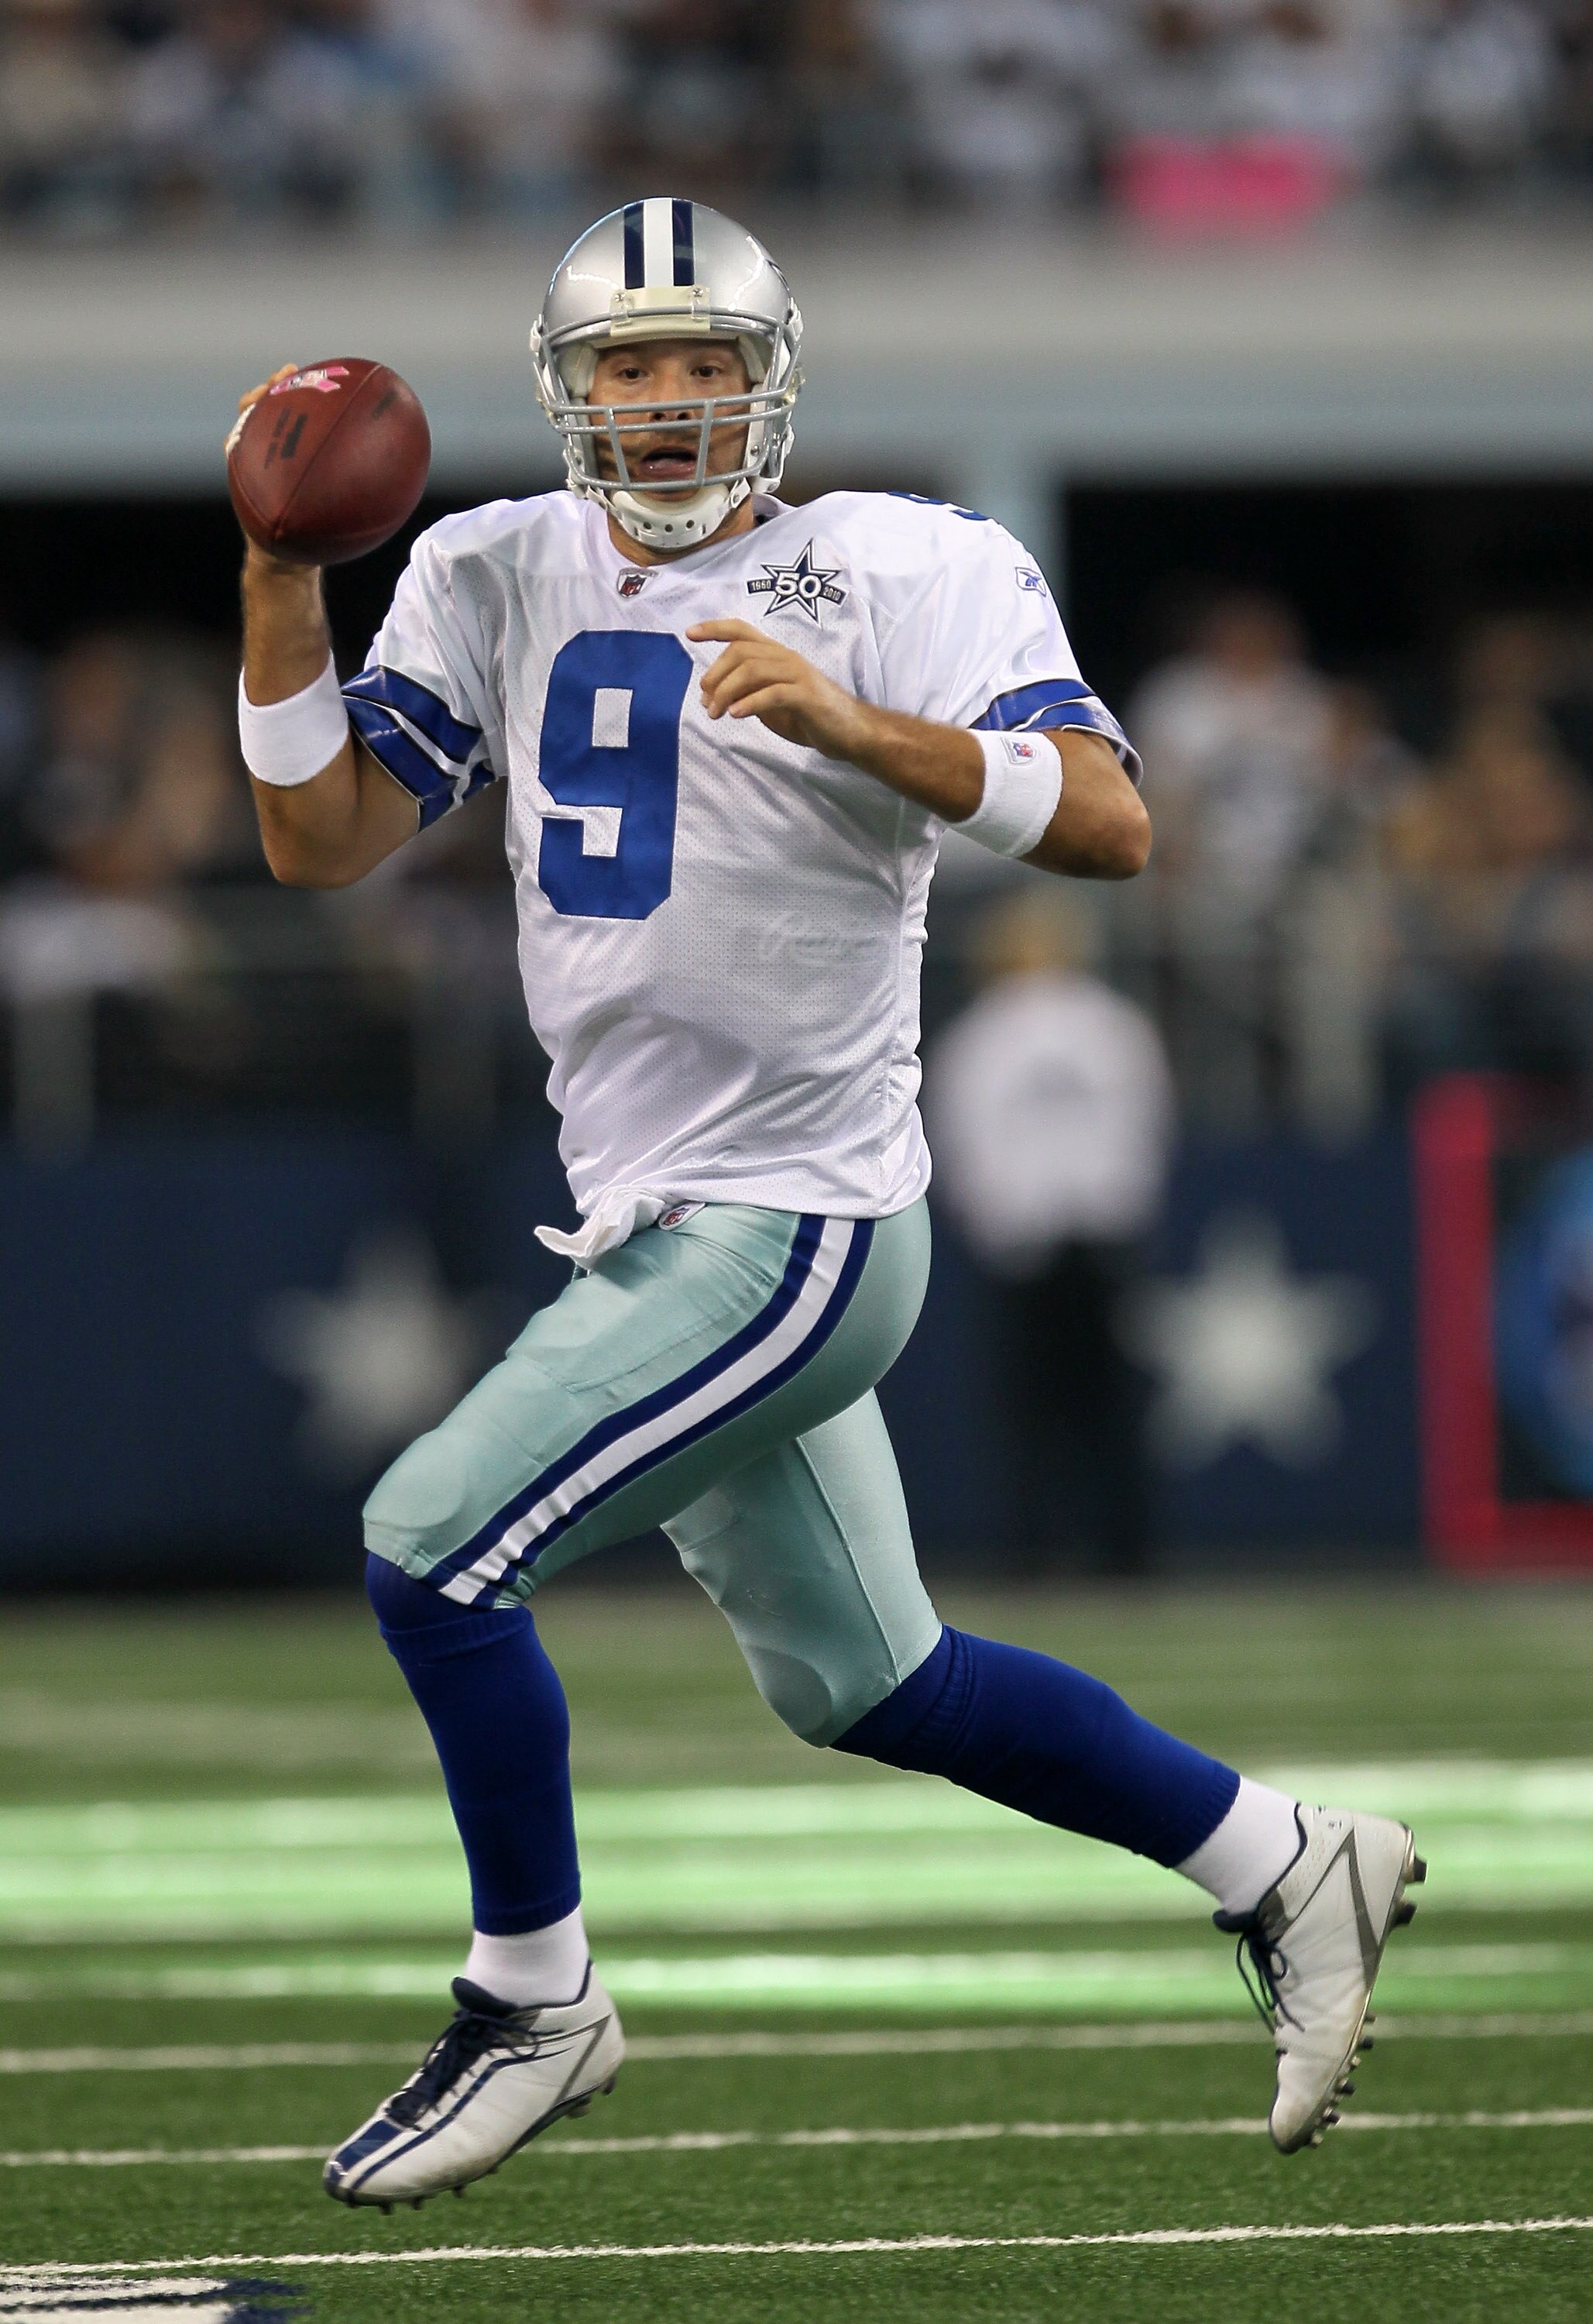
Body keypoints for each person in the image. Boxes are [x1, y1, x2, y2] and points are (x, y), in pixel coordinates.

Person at [232, 200, 1423, 2209]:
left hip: (797, 1219)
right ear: (570, 385)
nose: (667, 397)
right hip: (651, 1214)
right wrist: (276, 579)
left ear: (765, 377)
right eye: (628, 362)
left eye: (701, 357)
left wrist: (860, 725)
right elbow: (321, 839)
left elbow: (1118, 822)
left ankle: (535, 1992)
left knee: (435, 1548)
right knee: (872, 1680)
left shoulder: (903, 561)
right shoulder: (490, 565)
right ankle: (1280, 1858)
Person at [928, 890, 1172, 1579]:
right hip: (1096, 1240)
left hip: (1027, 1249)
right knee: (1106, 1410)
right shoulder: (1113, 1025)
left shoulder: (981, 1036)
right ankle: (1123, 1554)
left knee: (1033, 1413)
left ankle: (1037, 1554)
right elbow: (1145, 1128)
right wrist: (1119, 1211)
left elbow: (960, 1142)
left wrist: (995, 1220)